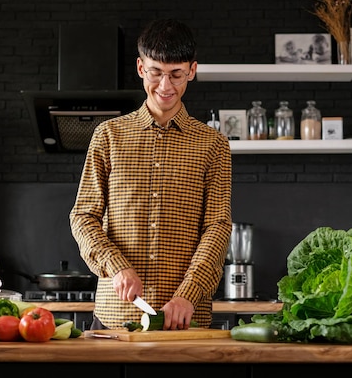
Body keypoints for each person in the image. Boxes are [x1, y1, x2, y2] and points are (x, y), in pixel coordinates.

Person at [70, 18, 232, 330]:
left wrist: (190, 293)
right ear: (141, 68)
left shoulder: (213, 145)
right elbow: (83, 216)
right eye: (156, 73)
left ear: (192, 71)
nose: (165, 86)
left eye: (176, 75)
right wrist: (116, 266)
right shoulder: (109, 136)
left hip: (186, 316)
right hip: (116, 317)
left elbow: (217, 227)